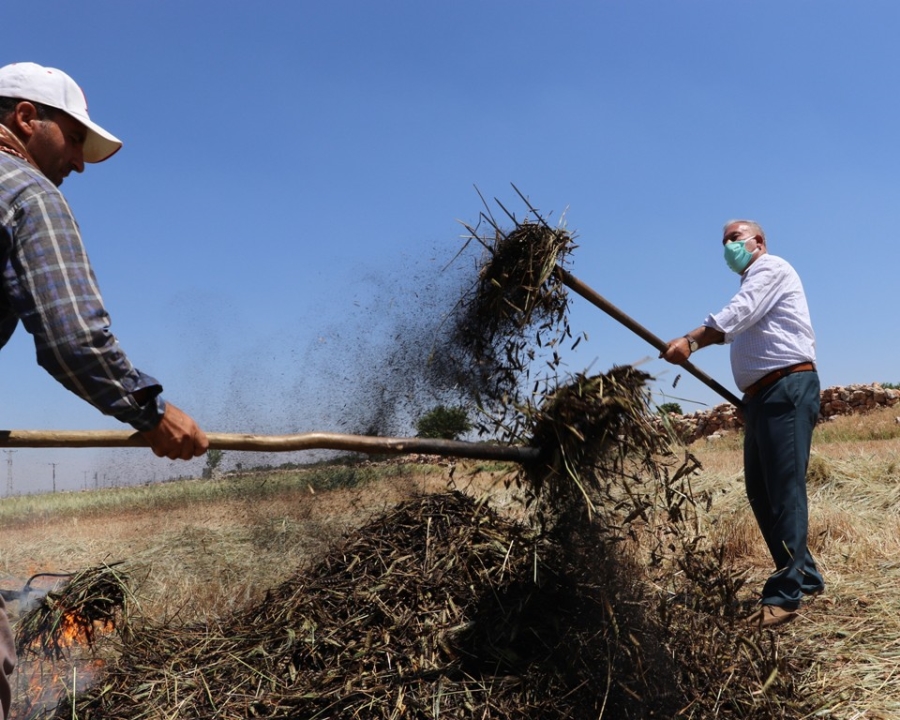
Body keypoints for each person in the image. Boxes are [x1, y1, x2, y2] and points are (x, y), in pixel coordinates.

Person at [0, 62, 209, 717]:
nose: (81, 167)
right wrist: (150, 412)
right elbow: (73, 339)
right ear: (26, 118)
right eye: (73, 139)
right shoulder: (23, 189)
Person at [660, 219, 824, 630]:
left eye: (734, 238)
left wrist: (692, 341)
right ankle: (805, 575)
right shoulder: (752, 279)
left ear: (758, 241)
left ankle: (786, 594)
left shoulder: (771, 269)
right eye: (724, 242)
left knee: (785, 488)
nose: (728, 246)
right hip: (762, 398)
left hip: (787, 387)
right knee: (760, 491)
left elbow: (739, 314)